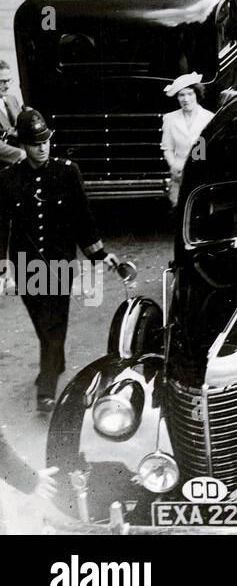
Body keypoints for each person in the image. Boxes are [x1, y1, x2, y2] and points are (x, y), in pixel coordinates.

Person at [0, 109, 120, 412]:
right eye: (35, 143)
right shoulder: (9, 179)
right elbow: (2, 226)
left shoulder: (67, 172)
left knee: (53, 323)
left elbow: (83, 218)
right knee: (43, 324)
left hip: (59, 263)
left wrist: (99, 254)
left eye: (46, 141)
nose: (42, 147)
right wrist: (3, 267)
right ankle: (57, 359)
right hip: (25, 265)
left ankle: (47, 385)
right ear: (23, 145)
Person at [159, 72, 214, 207]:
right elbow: (167, 148)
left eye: (190, 94)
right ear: (177, 98)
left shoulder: (208, 118)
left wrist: (198, 169)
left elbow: (206, 150)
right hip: (178, 176)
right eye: (181, 95)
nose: (186, 99)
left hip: (202, 176)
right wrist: (174, 166)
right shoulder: (170, 119)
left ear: (197, 95)